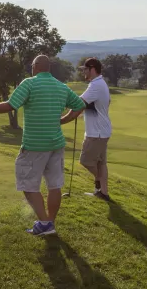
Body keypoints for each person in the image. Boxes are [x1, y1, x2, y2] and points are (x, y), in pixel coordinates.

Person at [0, 55, 87, 236]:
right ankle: (50, 223)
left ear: (35, 67)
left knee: (28, 185)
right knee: (54, 186)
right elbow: (79, 105)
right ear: (48, 68)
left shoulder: (29, 83)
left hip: (35, 145)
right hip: (56, 144)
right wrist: (62, 120)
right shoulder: (61, 87)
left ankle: (45, 223)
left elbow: (11, 105)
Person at [61, 57, 112, 201]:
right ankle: (104, 193)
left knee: (85, 161)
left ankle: (99, 181)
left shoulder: (96, 85)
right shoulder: (100, 83)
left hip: (96, 133)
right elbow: (99, 103)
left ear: (92, 69)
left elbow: (78, 104)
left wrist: (61, 121)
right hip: (102, 131)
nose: (83, 71)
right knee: (100, 163)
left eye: (85, 69)